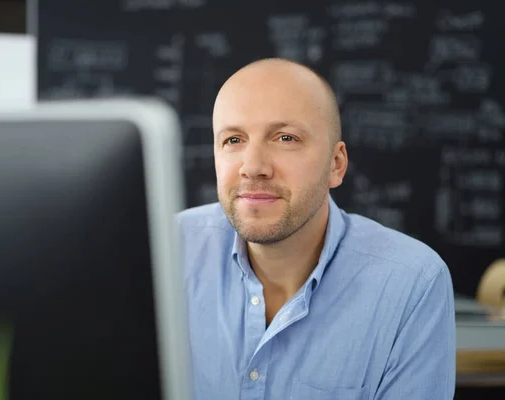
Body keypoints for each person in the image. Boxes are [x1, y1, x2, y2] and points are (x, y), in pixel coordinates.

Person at [176, 58, 456, 400]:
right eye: (234, 140)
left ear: (336, 165)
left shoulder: (411, 283)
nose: (253, 167)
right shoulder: (167, 251)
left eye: (285, 137)